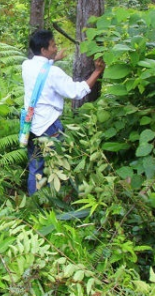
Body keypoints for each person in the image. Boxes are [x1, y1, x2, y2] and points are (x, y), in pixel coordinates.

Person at [22, 29, 105, 195]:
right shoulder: (54, 73)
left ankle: (35, 203)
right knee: (57, 167)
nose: (56, 48)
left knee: (36, 166)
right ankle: (56, 201)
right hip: (49, 127)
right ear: (44, 50)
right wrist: (97, 72)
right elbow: (76, 91)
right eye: (53, 46)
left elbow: (41, 71)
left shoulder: (26, 65)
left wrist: (53, 60)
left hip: (30, 126)